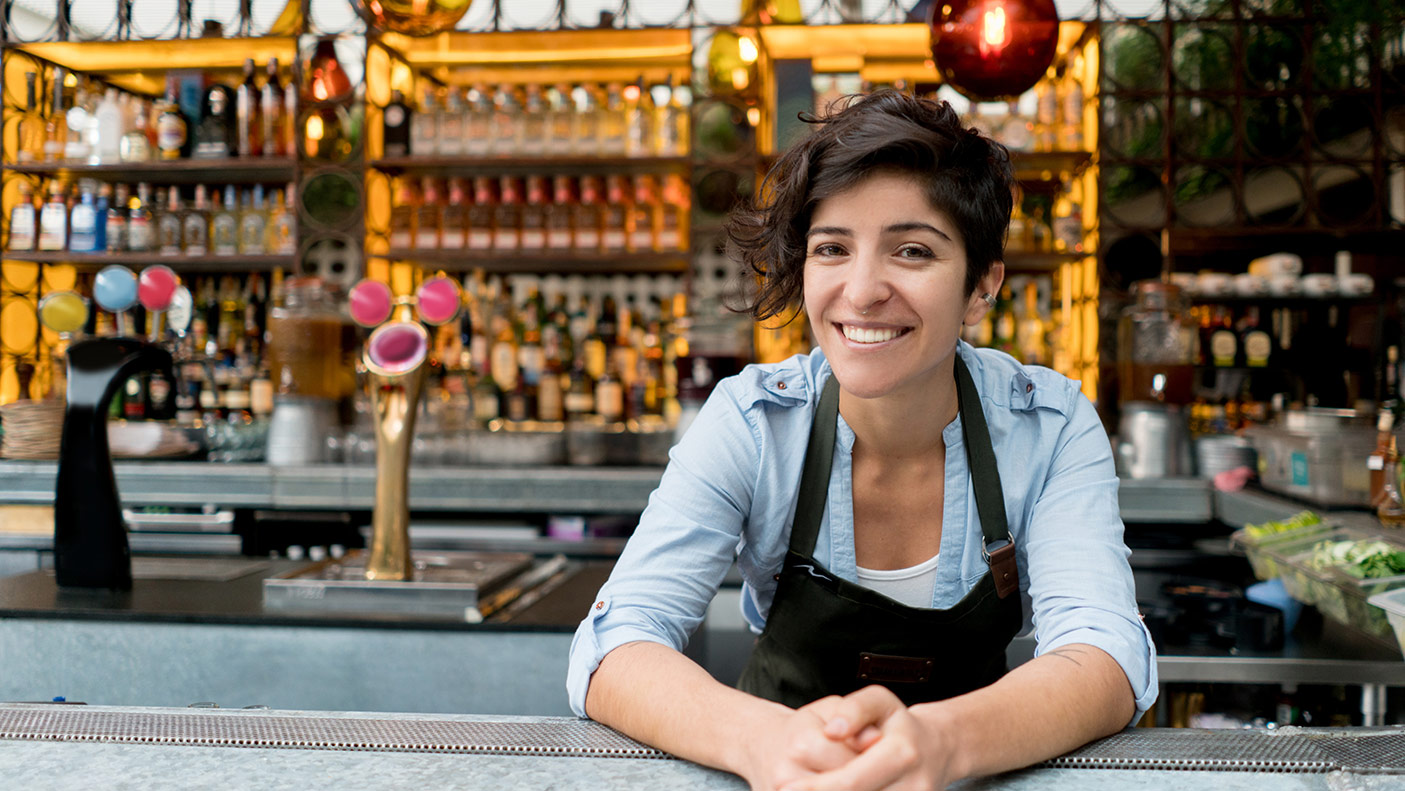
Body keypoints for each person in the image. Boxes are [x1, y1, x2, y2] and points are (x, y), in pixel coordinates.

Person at [566, 90, 1157, 791]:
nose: (862, 288)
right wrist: (765, 740)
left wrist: (938, 743)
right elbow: (614, 643)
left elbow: (1104, 654)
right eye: (832, 248)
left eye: (911, 250)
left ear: (980, 287)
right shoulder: (754, 420)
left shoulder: (1046, 423)